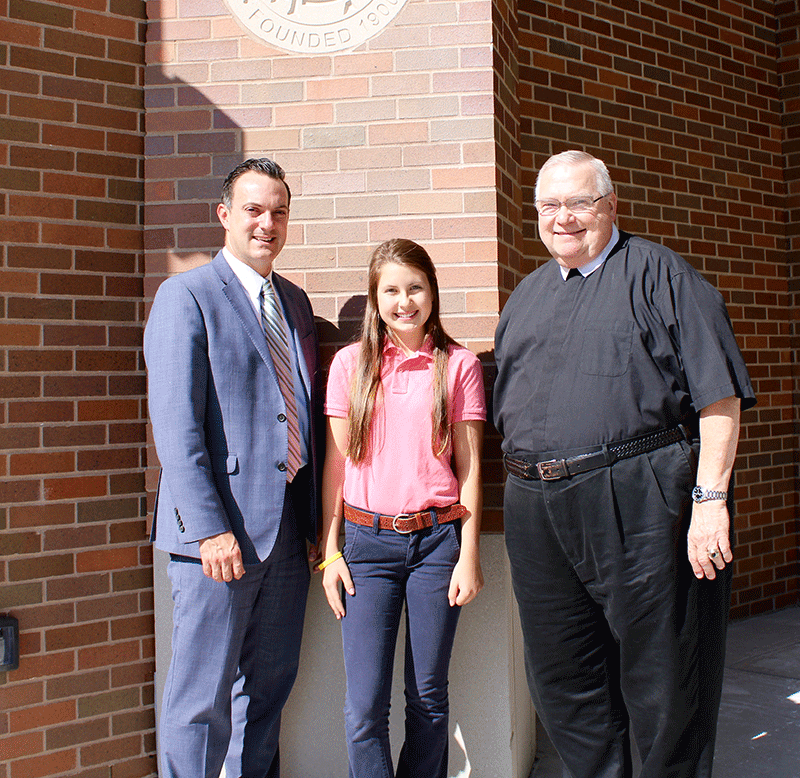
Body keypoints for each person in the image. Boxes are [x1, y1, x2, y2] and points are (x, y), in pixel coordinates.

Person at [494, 150, 755, 778]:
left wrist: (709, 502)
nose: (564, 218)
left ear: (610, 205)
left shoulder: (663, 276)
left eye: (579, 202)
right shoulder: (527, 296)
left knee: (665, 673)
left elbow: (719, 397)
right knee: (563, 677)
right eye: (549, 206)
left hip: (638, 496)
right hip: (537, 508)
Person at [144, 157, 322, 778]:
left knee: (267, 692)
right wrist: (208, 528)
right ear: (224, 215)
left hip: (284, 540)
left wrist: (313, 527)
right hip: (217, 540)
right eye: (253, 209)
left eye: (278, 211)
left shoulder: (295, 304)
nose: (266, 223)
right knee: (200, 700)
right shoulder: (186, 296)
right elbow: (177, 428)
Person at [319, 238, 485, 778]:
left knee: (428, 697)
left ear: (432, 291)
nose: (404, 301)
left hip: (437, 544)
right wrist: (330, 552)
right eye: (391, 290)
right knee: (365, 705)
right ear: (375, 298)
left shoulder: (457, 365)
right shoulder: (351, 364)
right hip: (366, 549)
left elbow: (470, 468)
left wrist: (469, 555)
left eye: (415, 287)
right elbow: (336, 466)